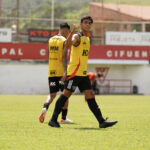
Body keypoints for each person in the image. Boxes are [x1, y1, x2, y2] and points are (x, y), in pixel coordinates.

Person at [48, 16, 118, 128]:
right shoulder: (78, 36)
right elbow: (67, 45)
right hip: (75, 73)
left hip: (83, 73)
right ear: (81, 24)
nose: (88, 24)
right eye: (85, 22)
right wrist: (72, 32)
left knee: (90, 94)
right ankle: (53, 120)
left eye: (90, 23)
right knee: (65, 95)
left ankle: (101, 121)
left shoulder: (87, 38)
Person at [39, 22, 77, 124]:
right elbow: (64, 56)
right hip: (61, 73)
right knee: (65, 95)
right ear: (66, 31)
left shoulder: (50, 40)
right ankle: (63, 118)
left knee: (52, 95)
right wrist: (65, 71)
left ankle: (45, 108)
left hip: (51, 72)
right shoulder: (64, 40)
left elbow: (47, 54)